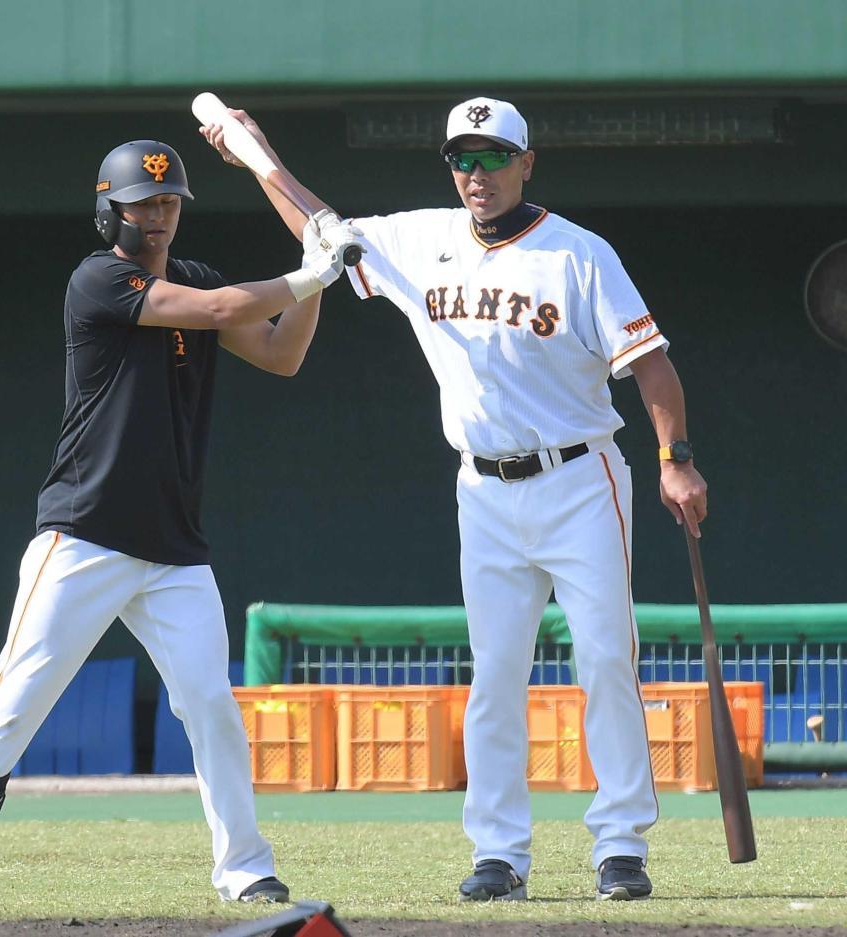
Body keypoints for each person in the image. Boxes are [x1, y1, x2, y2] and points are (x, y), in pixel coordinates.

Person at [203, 97, 708, 901]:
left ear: (526, 163)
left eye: (493, 156)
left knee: (607, 658)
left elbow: (650, 365)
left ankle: (621, 845)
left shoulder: (580, 254)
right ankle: (500, 852)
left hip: (582, 477)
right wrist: (257, 151)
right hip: (484, 486)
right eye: (462, 159)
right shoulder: (421, 238)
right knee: (496, 672)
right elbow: (324, 229)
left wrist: (674, 459)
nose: (477, 173)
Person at [0, 139, 363, 907]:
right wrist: (316, 269)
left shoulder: (192, 274)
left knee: (212, 705)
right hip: (84, 529)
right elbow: (225, 309)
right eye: (141, 204)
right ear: (110, 211)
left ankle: (245, 864)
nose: (156, 217)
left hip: (173, 548)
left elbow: (281, 352)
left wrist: (311, 268)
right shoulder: (98, 280)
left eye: (167, 204)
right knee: (22, 688)